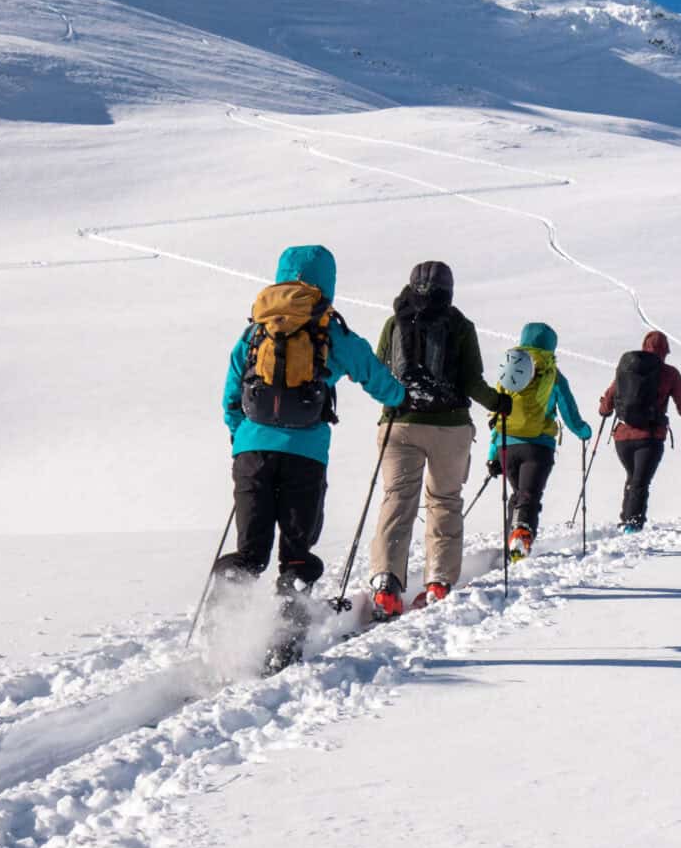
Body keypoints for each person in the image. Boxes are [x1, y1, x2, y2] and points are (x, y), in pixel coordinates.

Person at [217, 245, 405, 621]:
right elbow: (376, 378)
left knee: (250, 552)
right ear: (328, 281)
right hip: (306, 454)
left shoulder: (257, 328)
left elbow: (231, 395)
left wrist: (243, 439)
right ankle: (285, 640)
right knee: (296, 553)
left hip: (253, 452)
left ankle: (221, 632)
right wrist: (399, 396)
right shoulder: (329, 330)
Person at [367, 260, 511, 617]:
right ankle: (438, 583)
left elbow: (378, 371)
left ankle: (386, 586)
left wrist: (394, 404)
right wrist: (499, 403)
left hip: (398, 425)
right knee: (444, 501)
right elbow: (472, 382)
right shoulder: (460, 326)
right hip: (449, 428)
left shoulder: (394, 322)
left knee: (397, 501)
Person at [487, 321, 591, 559]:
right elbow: (569, 413)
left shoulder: (510, 371)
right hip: (539, 446)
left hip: (507, 446)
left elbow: (498, 416)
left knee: (518, 494)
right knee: (529, 495)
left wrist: (493, 454)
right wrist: (583, 432)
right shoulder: (553, 375)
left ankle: (510, 544)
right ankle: (521, 536)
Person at [598, 330, 681, 533]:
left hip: (622, 437)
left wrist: (604, 410)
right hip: (650, 437)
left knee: (634, 477)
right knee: (640, 481)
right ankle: (633, 525)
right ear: (665, 351)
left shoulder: (627, 369)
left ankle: (626, 520)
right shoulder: (670, 373)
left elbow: (608, 400)